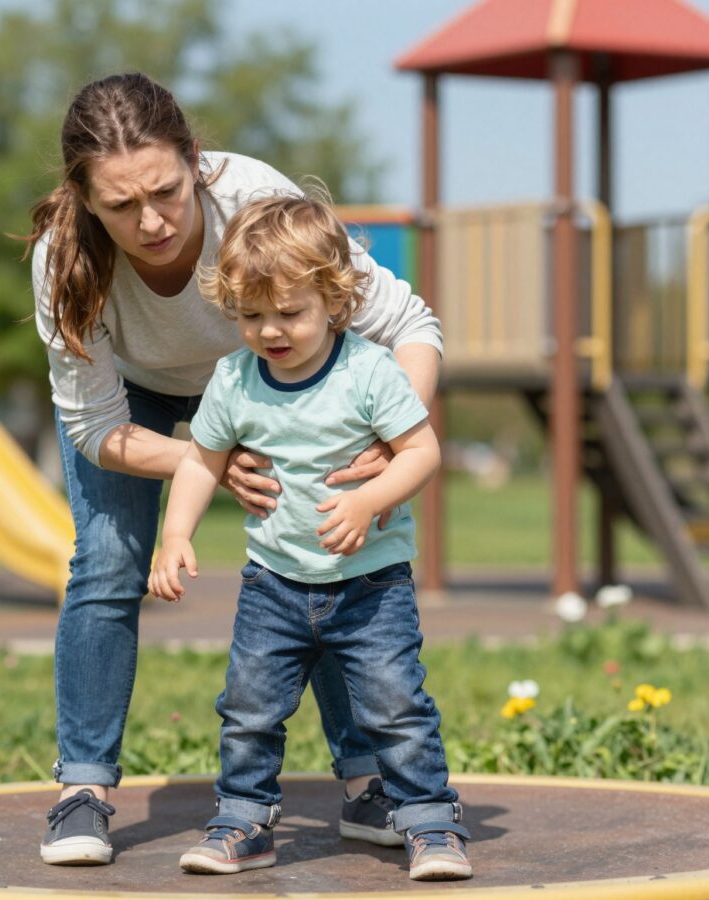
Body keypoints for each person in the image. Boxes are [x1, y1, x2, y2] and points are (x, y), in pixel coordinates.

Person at [27, 72, 444, 867]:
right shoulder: (64, 262)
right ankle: (83, 791)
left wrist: (393, 441)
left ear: (195, 161)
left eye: (166, 191)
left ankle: (368, 787)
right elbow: (94, 426)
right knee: (109, 562)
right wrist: (207, 461)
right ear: (85, 199)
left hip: (270, 372)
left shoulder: (251, 195)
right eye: (120, 206)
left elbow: (411, 325)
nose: (150, 221)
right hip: (135, 401)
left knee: (323, 551)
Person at [148, 193, 470, 881]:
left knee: (395, 707)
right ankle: (243, 822)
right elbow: (203, 461)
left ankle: (431, 824)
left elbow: (422, 452)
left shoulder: (369, 371)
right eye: (251, 315)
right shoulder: (234, 379)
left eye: (290, 312)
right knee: (248, 709)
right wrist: (175, 534)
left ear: (335, 300)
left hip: (371, 586)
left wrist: (372, 499)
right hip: (273, 584)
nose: (271, 330)